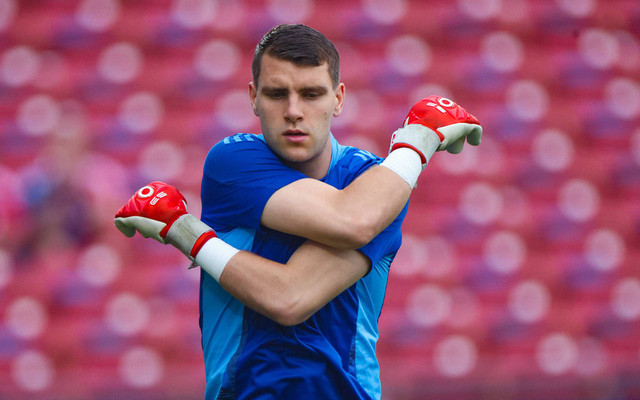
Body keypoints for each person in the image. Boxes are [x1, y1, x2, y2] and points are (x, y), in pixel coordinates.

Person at [115, 24, 481, 400]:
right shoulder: (232, 162)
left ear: (338, 99)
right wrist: (416, 145)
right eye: (277, 94)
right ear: (253, 97)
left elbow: (291, 296)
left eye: (311, 94)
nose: (293, 111)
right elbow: (345, 227)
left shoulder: (378, 185)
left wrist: (186, 232)